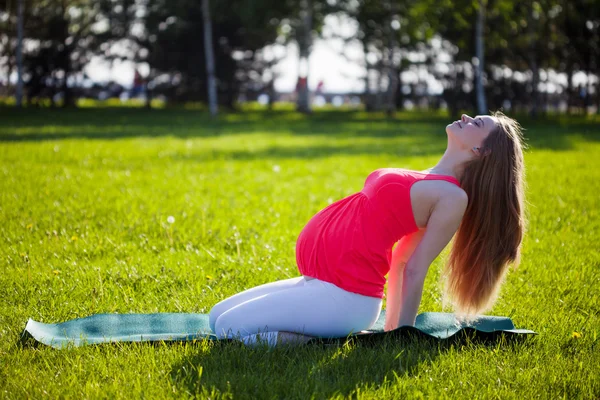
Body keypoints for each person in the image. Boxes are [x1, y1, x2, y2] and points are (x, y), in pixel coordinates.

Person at [209, 111, 527, 347]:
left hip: (347, 296)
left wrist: (400, 334)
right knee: (215, 316)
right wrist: (387, 326)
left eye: (477, 123)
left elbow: (415, 267)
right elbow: (401, 260)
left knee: (228, 329)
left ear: (480, 152)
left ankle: (312, 341)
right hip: (322, 281)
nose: (466, 117)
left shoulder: (452, 197)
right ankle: (320, 331)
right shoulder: (429, 177)